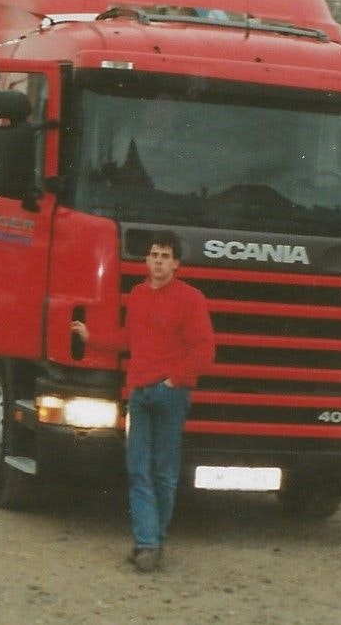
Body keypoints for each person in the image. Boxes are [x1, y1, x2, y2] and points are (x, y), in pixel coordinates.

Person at [71, 231, 214, 572]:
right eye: (154, 255)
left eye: (165, 256)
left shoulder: (191, 299)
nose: (158, 261)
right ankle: (148, 542)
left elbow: (204, 350)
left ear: (176, 263)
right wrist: (93, 340)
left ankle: (152, 542)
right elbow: (128, 338)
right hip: (139, 395)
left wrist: (173, 381)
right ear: (147, 260)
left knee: (164, 473)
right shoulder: (137, 295)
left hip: (170, 395)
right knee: (138, 470)